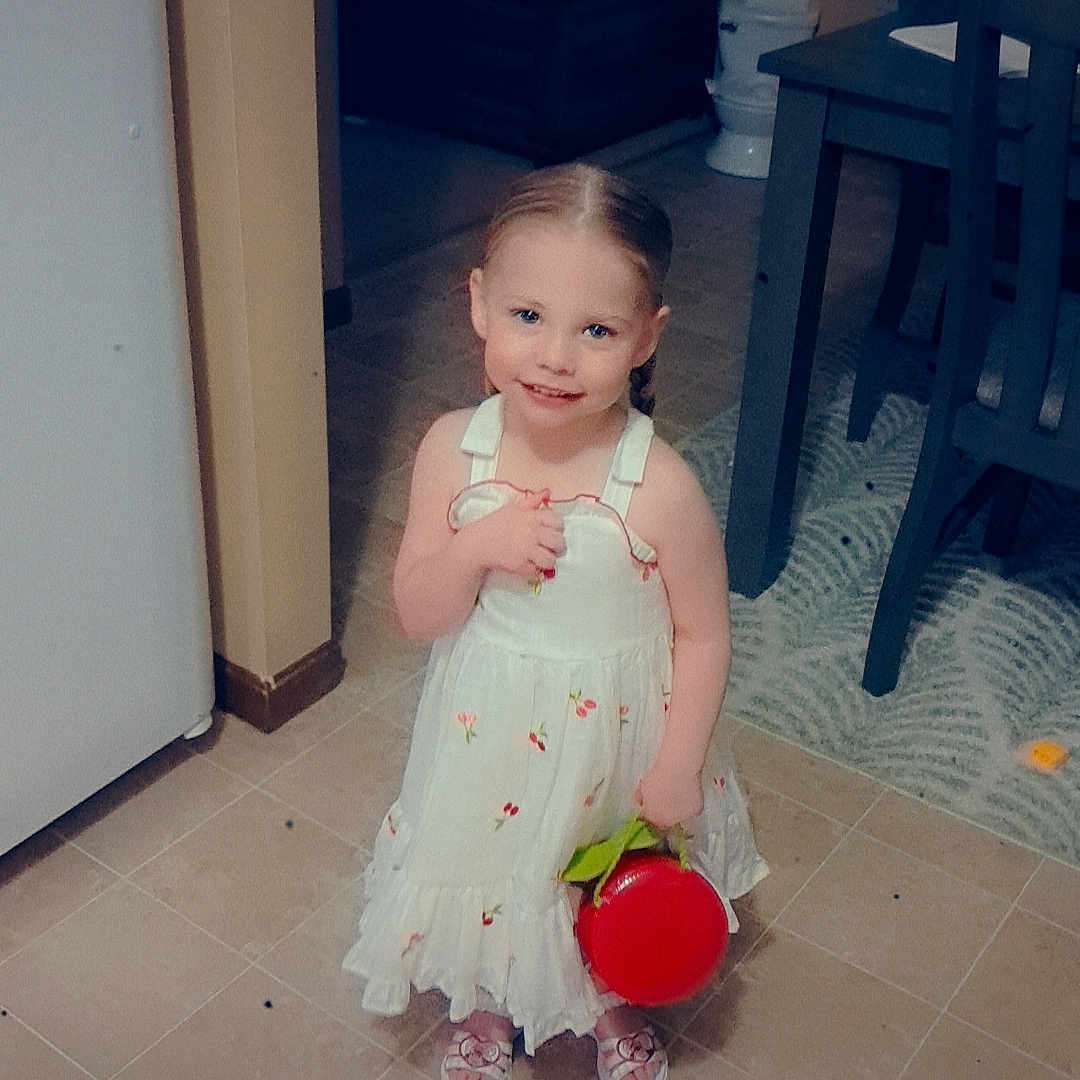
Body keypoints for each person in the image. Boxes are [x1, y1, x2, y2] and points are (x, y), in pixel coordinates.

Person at [344, 163, 767, 1080]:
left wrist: (678, 763)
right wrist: (473, 546)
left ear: (647, 339)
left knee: (601, 870)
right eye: (528, 316)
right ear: (480, 304)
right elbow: (417, 613)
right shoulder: (453, 452)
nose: (555, 357)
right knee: (499, 869)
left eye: (597, 330)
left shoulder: (659, 486)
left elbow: (704, 631)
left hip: (619, 736)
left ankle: (612, 1000)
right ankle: (491, 1007)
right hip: (487, 730)